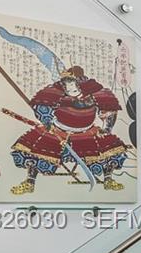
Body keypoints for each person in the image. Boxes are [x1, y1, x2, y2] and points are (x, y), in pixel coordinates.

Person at [9, 65, 129, 195]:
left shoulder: (95, 92)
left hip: (87, 132)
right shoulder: (55, 91)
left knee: (109, 148)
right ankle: (29, 182)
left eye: (71, 82)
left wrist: (106, 129)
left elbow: (110, 111)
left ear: (80, 81)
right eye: (66, 82)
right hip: (58, 130)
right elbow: (42, 107)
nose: (68, 85)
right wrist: (47, 121)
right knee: (35, 148)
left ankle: (108, 179)